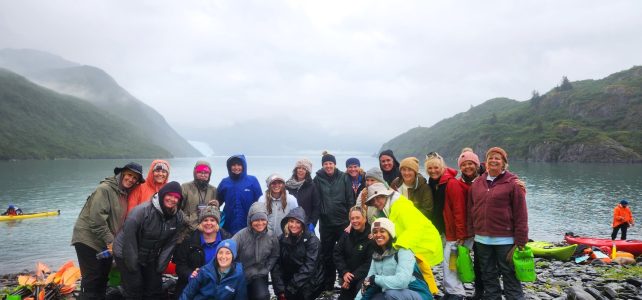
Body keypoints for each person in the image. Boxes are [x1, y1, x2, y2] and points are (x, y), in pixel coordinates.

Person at [71, 162, 144, 299]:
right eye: (129, 175)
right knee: (92, 280)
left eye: (135, 178)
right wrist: (111, 241)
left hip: (103, 242)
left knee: (103, 279)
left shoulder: (123, 193)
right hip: (88, 239)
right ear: (122, 173)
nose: (131, 179)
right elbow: (96, 220)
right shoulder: (105, 189)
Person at [467, 147, 528, 300]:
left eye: (497, 158)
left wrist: (521, 240)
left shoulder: (513, 184)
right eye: (490, 158)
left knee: (510, 274)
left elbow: (521, 214)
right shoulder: (477, 183)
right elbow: (471, 210)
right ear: (486, 162)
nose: (493, 160)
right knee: (487, 273)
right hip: (481, 239)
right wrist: (470, 233)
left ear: (504, 163)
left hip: (505, 240)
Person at [364, 183, 443, 294]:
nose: (376, 203)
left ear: (386, 196)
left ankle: (427, 293)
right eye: (373, 201)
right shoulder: (386, 209)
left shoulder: (401, 206)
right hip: (410, 242)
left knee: (418, 270)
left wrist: (397, 246)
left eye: (379, 198)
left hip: (422, 240)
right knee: (412, 271)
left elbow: (415, 227)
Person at [113, 181, 185, 299]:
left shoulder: (178, 217)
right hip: (125, 251)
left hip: (149, 254)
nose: (172, 199)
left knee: (154, 287)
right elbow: (129, 240)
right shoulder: (141, 211)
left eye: (176, 197)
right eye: (169, 195)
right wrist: (133, 267)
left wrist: (160, 267)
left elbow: (170, 244)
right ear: (162, 194)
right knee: (135, 286)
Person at [424, 152, 470, 299]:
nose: (433, 171)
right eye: (430, 168)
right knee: (447, 262)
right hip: (443, 231)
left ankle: (457, 293)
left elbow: (459, 210)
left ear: (442, 167)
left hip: (453, 232)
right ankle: (451, 291)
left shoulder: (451, 183)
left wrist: (461, 235)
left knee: (451, 264)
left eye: (436, 167)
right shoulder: (433, 183)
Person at [356, 218, 431, 300]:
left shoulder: (403, 251)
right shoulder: (376, 255)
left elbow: (402, 282)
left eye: (382, 231)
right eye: (375, 232)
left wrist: (375, 279)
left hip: (417, 293)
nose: (378, 235)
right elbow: (368, 282)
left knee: (391, 294)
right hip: (391, 293)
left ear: (390, 233)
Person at [313, 151, 355, 290]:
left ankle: (346, 281)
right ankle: (328, 284)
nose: (328, 166)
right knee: (327, 254)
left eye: (330, 163)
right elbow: (316, 201)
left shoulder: (344, 177)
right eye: (326, 163)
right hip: (326, 224)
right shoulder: (317, 179)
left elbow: (350, 199)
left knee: (346, 252)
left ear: (335, 164)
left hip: (343, 222)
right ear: (323, 165)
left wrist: (351, 221)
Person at [174, 205, 232, 297]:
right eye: (205, 220)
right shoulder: (189, 240)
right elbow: (180, 266)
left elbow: (235, 264)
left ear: (217, 222)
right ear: (200, 223)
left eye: (212, 220)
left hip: (219, 284)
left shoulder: (227, 239)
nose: (208, 223)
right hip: (193, 283)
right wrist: (190, 274)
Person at [273, 207, 325, 300]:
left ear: (303, 224)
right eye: (291, 221)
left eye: (298, 222)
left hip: (309, 281)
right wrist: (280, 289)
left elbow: (309, 267)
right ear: (287, 222)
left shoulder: (312, 241)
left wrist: (291, 288)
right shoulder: (281, 239)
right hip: (289, 278)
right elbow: (276, 265)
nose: (294, 225)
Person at [232, 202, 280, 300]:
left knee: (262, 296)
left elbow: (275, 255)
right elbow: (227, 253)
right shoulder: (240, 236)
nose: (260, 223)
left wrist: (266, 269)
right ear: (250, 221)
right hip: (240, 275)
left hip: (259, 274)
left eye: (263, 219)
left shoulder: (271, 236)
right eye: (256, 220)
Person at [456, 148, 484, 299]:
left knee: (481, 262)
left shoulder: (485, 180)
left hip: (482, 228)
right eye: (463, 164)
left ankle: (481, 291)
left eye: (470, 164)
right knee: (464, 259)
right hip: (467, 227)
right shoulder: (458, 183)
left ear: (477, 165)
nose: (467, 167)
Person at [179, 239, 247, 300]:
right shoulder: (204, 271)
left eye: (228, 253)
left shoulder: (239, 275)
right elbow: (187, 293)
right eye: (220, 252)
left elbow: (241, 297)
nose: (223, 257)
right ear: (216, 255)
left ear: (233, 256)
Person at [333, 206, 375, 300]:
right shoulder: (346, 234)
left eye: (358, 217)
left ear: (364, 219)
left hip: (362, 278)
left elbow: (368, 263)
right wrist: (344, 272)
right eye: (352, 218)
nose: (355, 221)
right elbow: (337, 253)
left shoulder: (371, 238)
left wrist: (350, 279)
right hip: (347, 275)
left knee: (360, 295)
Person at [218, 154, 263, 235]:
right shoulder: (225, 182)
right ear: (229, 167)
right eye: (233, 165)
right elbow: (217, 201)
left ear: (244, 166)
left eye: (239, 165)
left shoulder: (252, 181)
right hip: (229, 226)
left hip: (249, 225)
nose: (236, 167)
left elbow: (260, 202)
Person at [180, 160, 219, 242]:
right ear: (195, 173)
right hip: (186, 233)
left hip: (206, 233)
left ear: (209, 174)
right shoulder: (185, 188)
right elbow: (178, 211)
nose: (203, 175)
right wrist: (192, 223)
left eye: (206, 173)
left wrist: (216, 207)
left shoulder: (213, 190)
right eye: (200, 172)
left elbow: (215, 213)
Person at [390, 157, 434, 221]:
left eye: (410, 170)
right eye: (403, 169)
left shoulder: (424, 187)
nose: (406, 173)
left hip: (417, 223)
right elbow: (389, 203)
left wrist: (407, 216)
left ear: (415, 172)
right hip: (397, 222)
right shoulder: (395, 183)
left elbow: (427, 211)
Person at [285, 158, 321, 232]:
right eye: (299, 168)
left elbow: (316, 207)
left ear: (307, 172)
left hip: (306, 224)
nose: (300, 170)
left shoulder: (312, 186)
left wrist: (312, 223)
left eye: (304, 169)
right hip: (290, 224)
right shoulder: (288, 185)